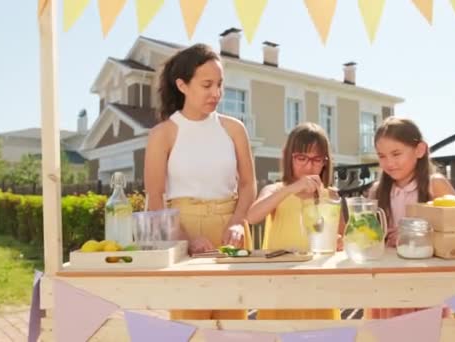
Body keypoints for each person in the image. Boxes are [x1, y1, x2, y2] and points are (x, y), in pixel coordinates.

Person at [144, 43, 256, 320]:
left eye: (220, 84)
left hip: (232, 232)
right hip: (183, 231)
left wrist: (238, 223)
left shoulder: (234, 129)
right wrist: (187, 240)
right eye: (207, 85)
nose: (216, 93)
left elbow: (247, 185)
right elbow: (155, 198)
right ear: (182, 85)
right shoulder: (163, 134)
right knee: (190, 323)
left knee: (233, 325)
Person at [246, 122, 342, 320]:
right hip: (281, 283)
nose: (309, 166)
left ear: (325, 162)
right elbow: (253, 216)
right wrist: (292, 188)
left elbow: (340, 238)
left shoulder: (330, 196)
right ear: (288, 156)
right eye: (301, 158)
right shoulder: (276, 190)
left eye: (316, 159)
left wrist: (340, 241)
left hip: (319, 285)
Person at [367, 116, 455, 318]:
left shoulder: (435, 185)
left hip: (427, 286)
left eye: (396, 153)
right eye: (382, 156)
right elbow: (370, 240)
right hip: (387, 287)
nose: (389, 162)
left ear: (420, 150)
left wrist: (412, 235)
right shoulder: (377, 191)